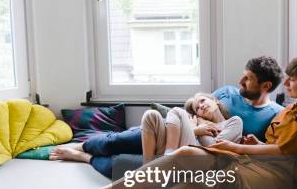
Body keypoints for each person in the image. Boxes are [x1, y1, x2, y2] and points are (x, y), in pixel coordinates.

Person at [62, 57, 297, 189]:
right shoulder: (291, 109)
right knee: (186, 152)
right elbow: (273, 142)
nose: (287, 84)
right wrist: (254, 143)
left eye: (293, 80)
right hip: (249, 157)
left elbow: (284, 150)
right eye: (287, 78)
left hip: (279, 176)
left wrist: (239, 147)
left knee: (189, 186)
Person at [51, 56, 283, 174]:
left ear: (265, 85)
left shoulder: (274, 114)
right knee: (118, 140)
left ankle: (84, 157)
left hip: (199, 147)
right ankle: (80, 146)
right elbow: (194, 108)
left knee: (122, 166)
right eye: (243, 76)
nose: (240, 81)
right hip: (176, 128)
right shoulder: (227, 92)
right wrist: (197, 126)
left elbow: (269, 148)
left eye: (248, 79)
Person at [141, 94, 243, 163]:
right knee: (150, 115)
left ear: (215, 100)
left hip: (205, 163)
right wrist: (196, 130)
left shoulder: (234, 121)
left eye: (202, 101)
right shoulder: (197, 127)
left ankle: (168, 156)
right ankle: (147, 169)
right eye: (197, 108)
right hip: (181, 154)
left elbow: (213, 147)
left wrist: (199, 128)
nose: (201, 106)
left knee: (177, 111)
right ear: (197, 114)